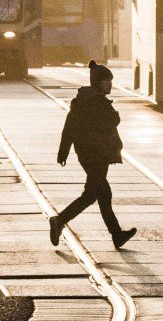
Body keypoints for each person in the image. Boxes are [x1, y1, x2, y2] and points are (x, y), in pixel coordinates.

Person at [48, 60, 136, 251]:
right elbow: (110, 122)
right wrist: (115, 116)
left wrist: (64, 150)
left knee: (97, 194)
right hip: (96, 154)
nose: (110, 84)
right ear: (98, 82)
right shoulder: (96, 102)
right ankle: (59, 220)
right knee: (97, 193)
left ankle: (117, 235)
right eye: (107, 81)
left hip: (88, 153)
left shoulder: (82, 99)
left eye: (110, 80)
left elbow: (69, 126)